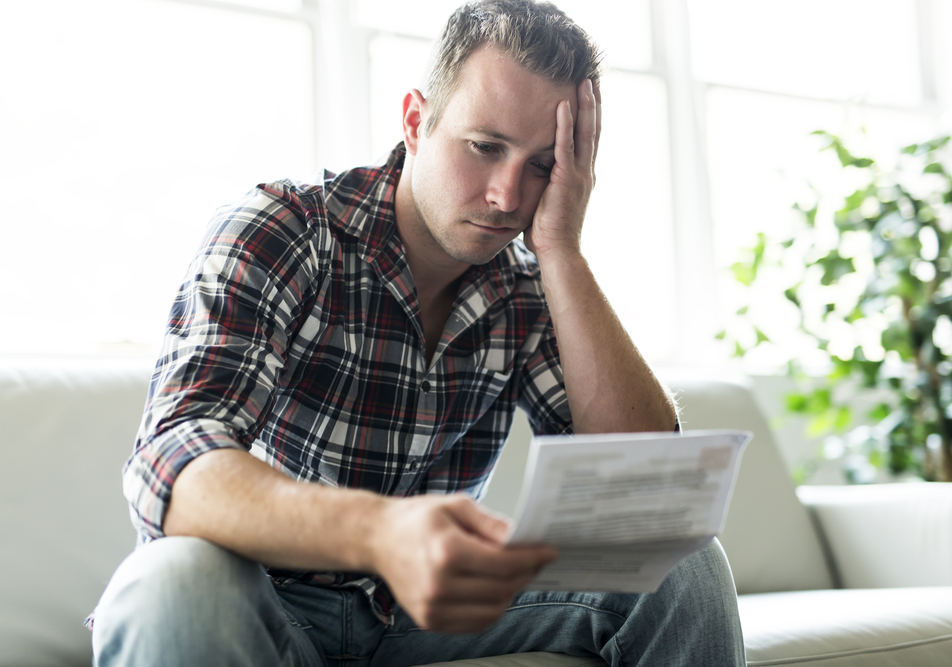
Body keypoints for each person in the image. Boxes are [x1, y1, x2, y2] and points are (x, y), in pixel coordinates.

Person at [90, 1, 745, 665]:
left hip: (431, 615)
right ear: (415, 120)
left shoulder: (529, 283)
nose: (506, 195)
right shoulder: (286, 229)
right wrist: (380, 532)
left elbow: (648, 495)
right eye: (485, 147)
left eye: (542, 165)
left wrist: (562, 250)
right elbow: (169, 461)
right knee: (173, 583)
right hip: (265, 594)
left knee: (680, 558)